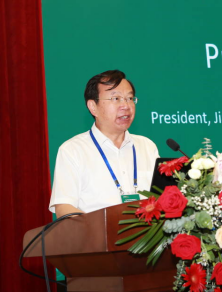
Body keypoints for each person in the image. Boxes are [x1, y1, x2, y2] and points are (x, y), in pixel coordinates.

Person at [49, 70, 159, 217]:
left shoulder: (147, 146)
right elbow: (64, 207)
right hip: (96, 232)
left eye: (130, 98)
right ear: (93, 107)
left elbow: (161, 198)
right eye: (116, 98)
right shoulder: (72, 150)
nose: (126, 105)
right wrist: (97, 228)